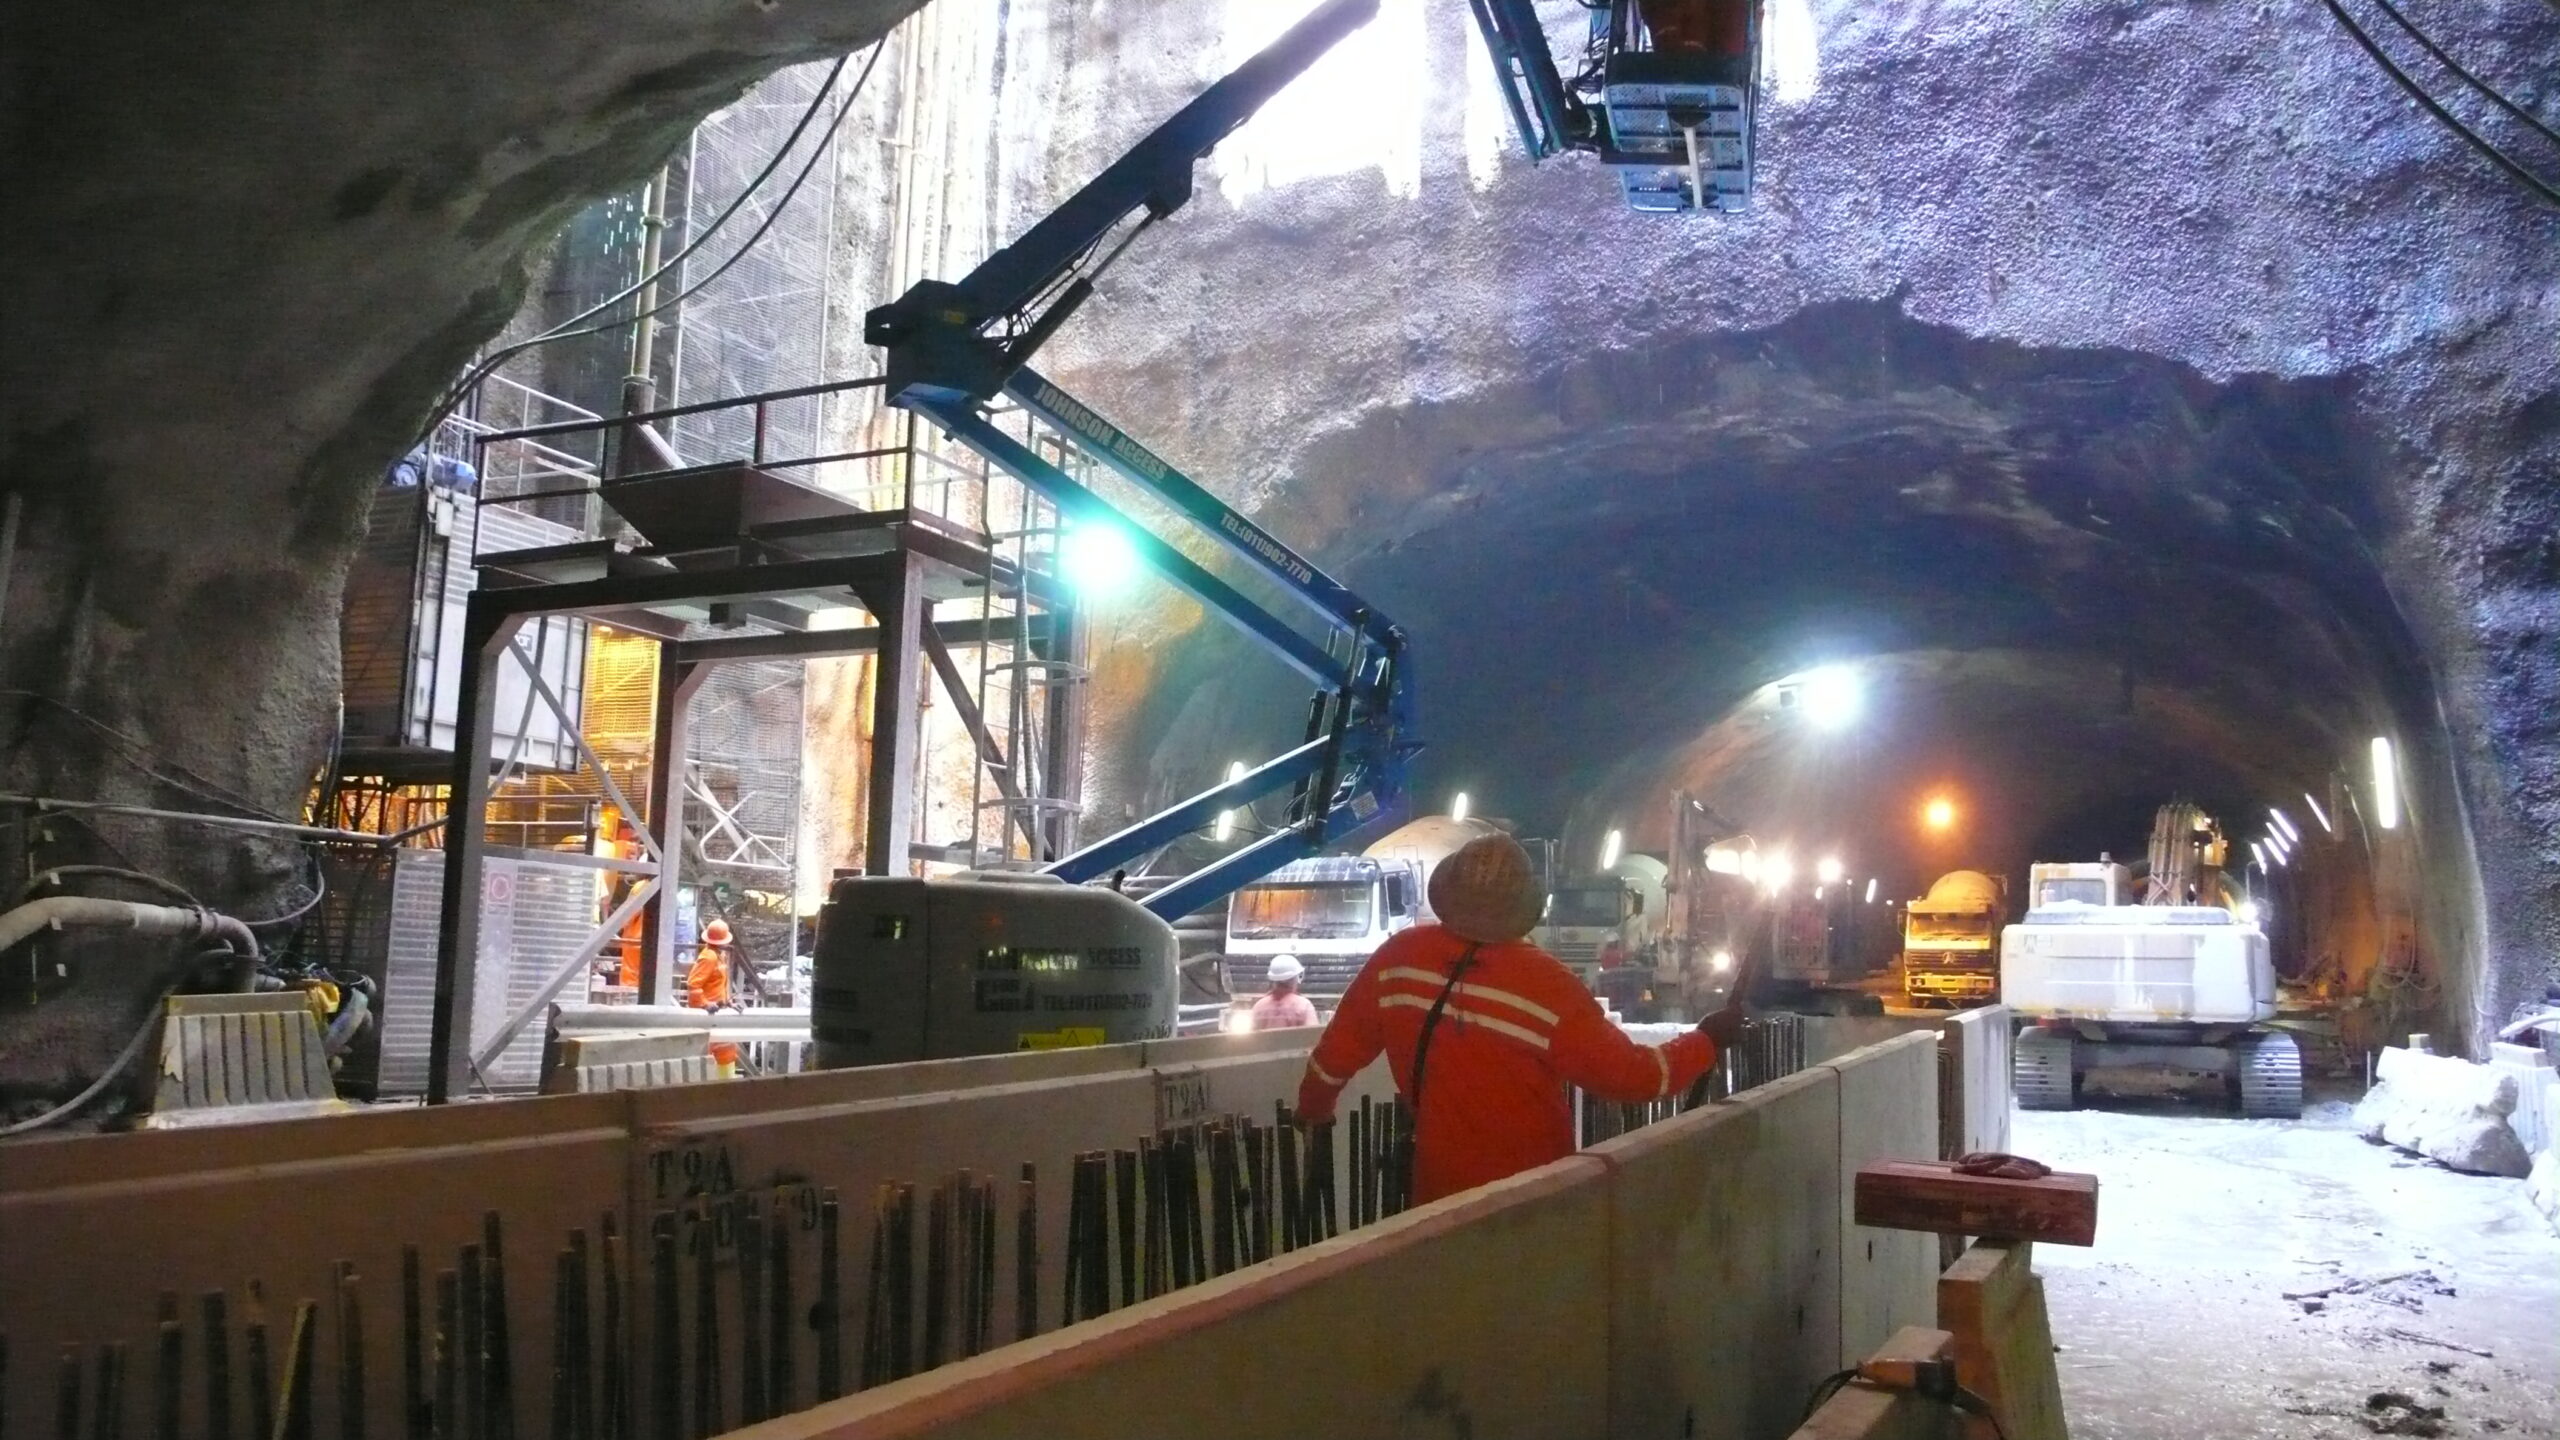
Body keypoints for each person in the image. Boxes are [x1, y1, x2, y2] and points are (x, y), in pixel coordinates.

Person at [1296, 834, 1747, 1206]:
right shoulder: (1547, 986)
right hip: (1532, 1199)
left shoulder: (1398, 960)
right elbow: (1635, 1077)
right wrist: (1704, 1041)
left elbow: (1332, 1059)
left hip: (1435, 1194)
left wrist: (1314, 1114)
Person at [687, 918, 742, 1073]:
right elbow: (693, 984)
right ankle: (720, 1083)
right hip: (707, 1014)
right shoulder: (709, 957)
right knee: (716, 1048)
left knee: (726, 1048)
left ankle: (724, 1081)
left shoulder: (718, 956)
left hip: (716, 1011)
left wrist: (727, 1002)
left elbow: (716, 985)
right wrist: (705, 1004)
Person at [1250, 955, 1321, 1031]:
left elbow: (1250, 1039)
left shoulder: (1258, 1007)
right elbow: (1313, 1036)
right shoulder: (1304, 1005)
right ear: (1295, 978)